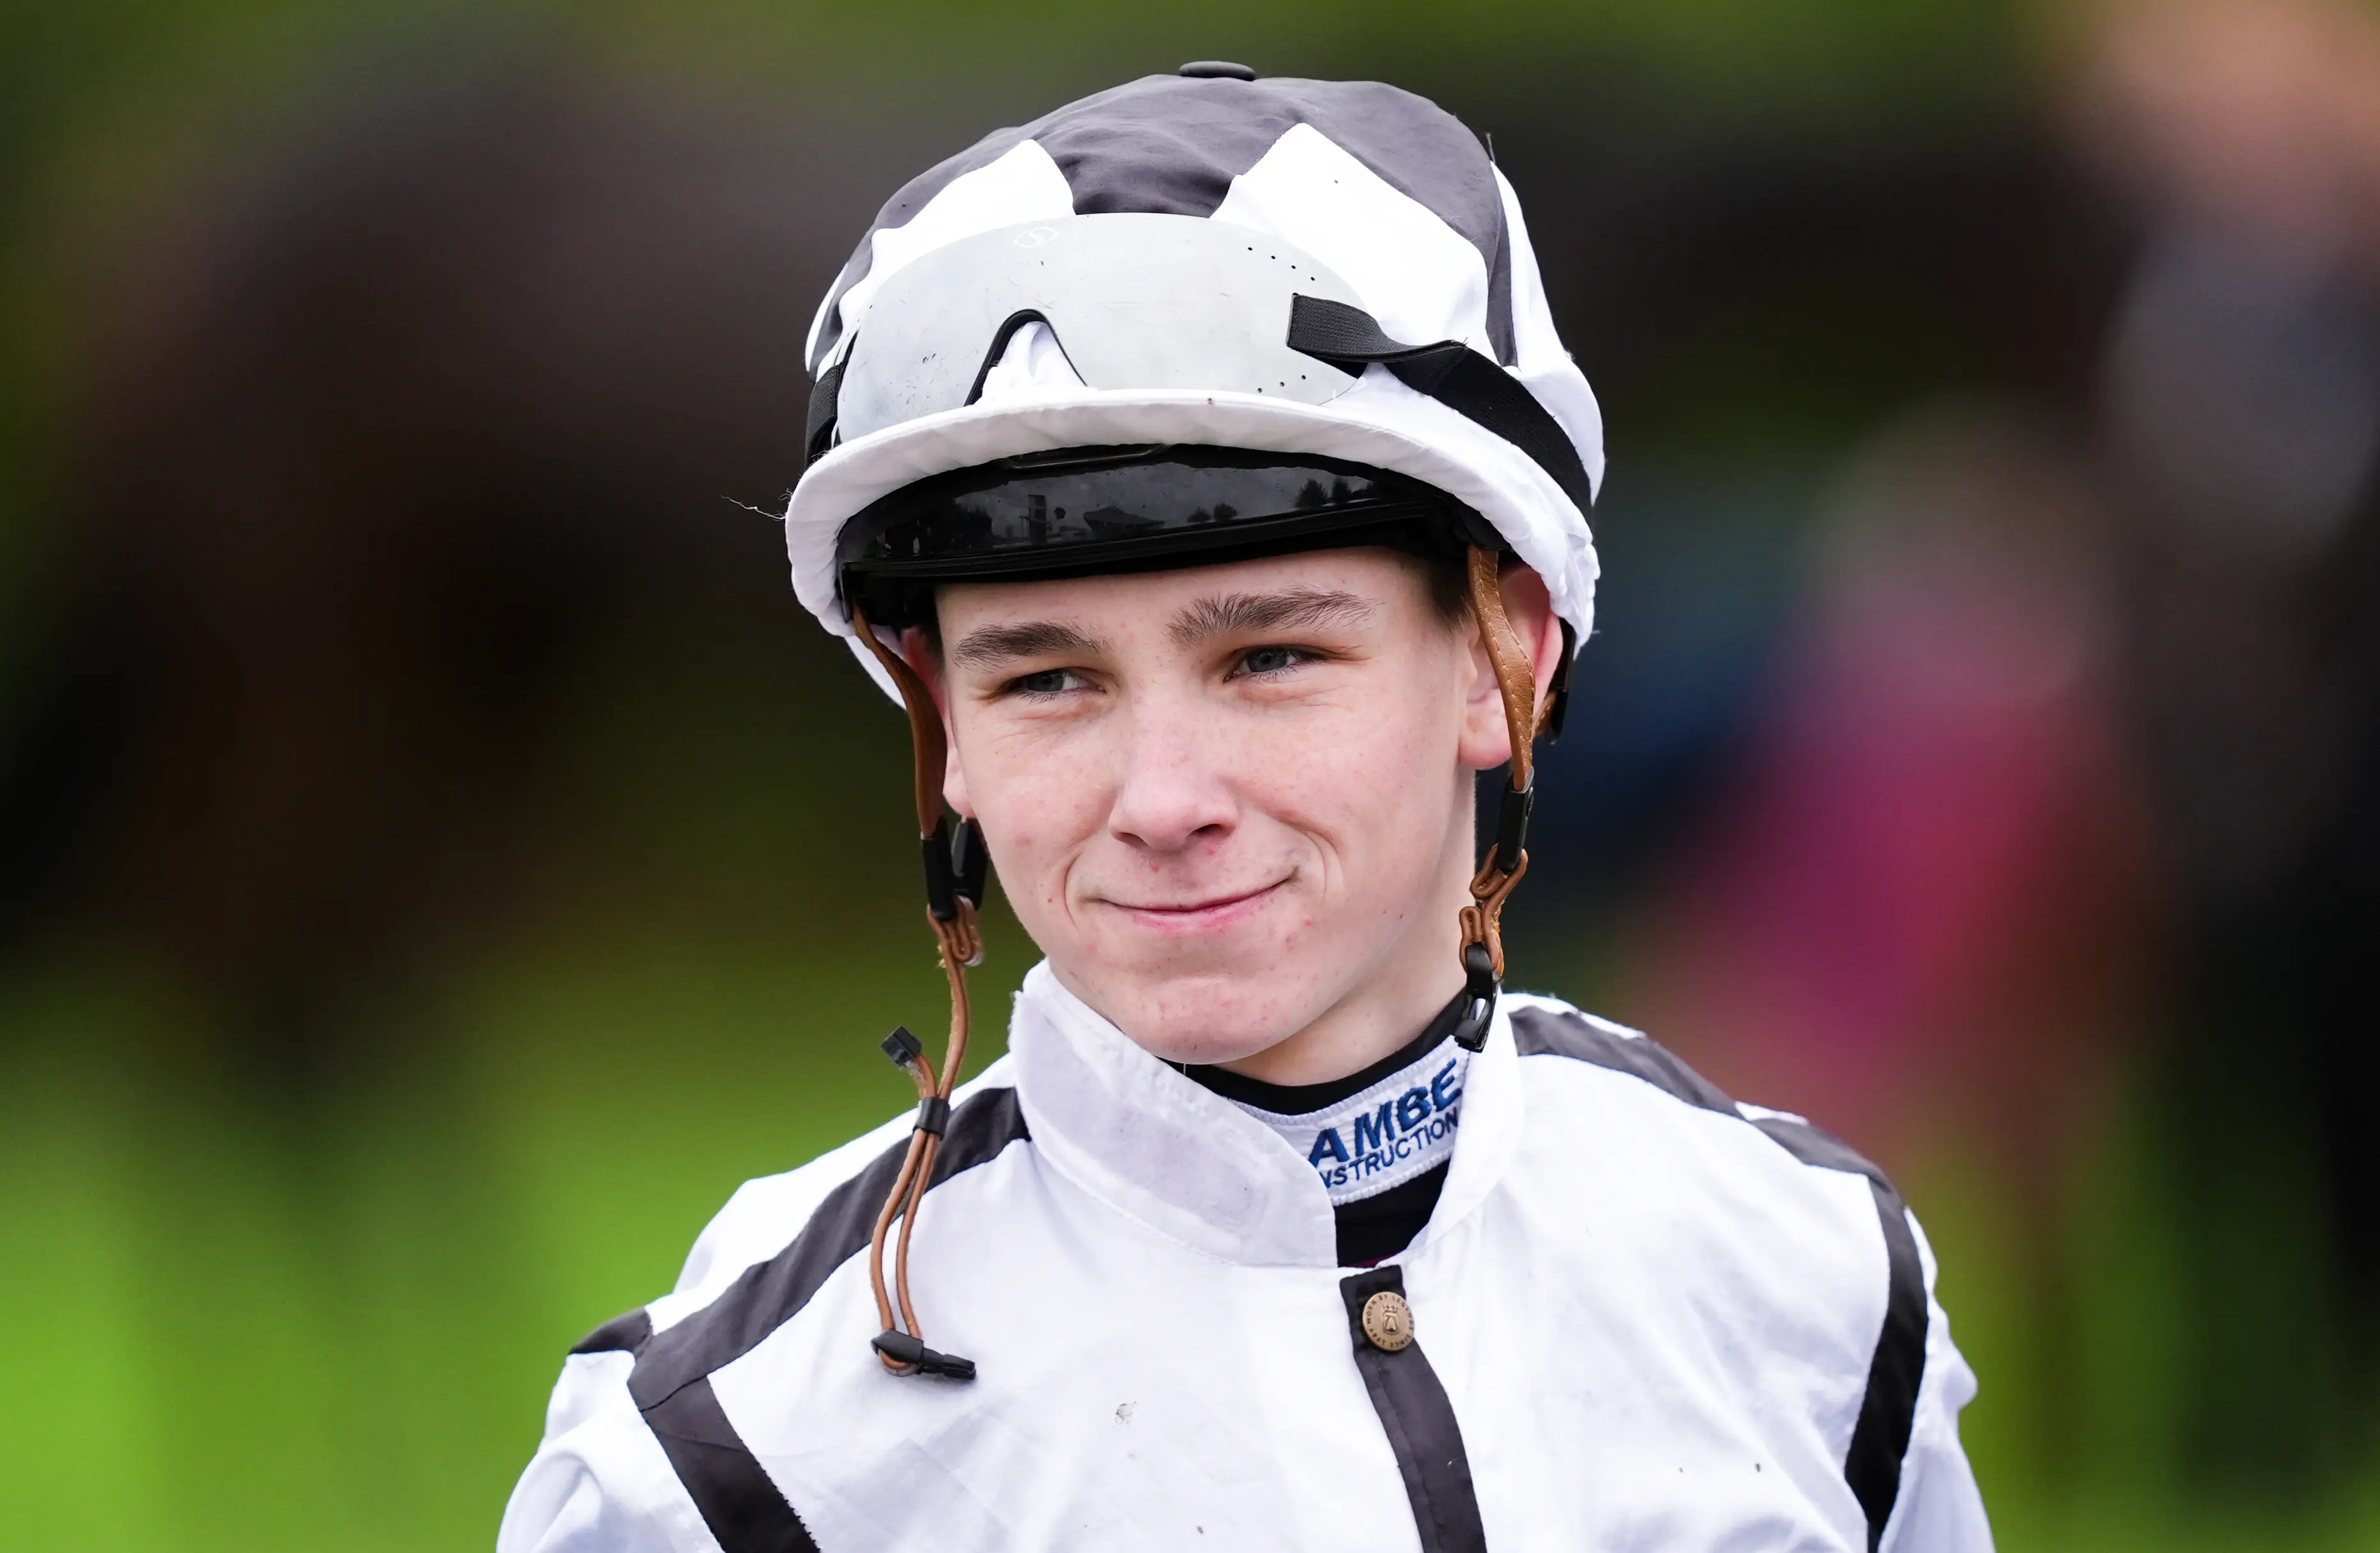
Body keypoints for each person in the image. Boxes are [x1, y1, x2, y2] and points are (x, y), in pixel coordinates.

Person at [498, 66, 1992, 1552]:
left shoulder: (1809, 1284)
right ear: (942, 723)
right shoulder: (726, 1455)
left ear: (1506, 660)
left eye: (1269, 659)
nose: (1162, 802)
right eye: (1046, 681)